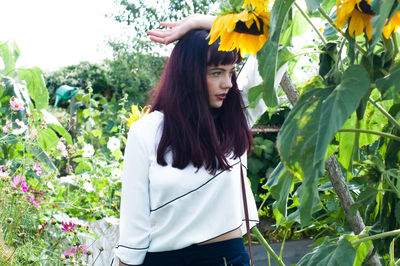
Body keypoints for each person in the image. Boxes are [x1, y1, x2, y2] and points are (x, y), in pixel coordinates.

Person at [114, 14, 268, 266]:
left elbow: (273, 42)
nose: (227, 83)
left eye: (231, 72)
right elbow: (134, 224)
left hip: (228, 258)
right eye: (216, 72)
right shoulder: (146, 131)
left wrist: (201, 22)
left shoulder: (235, 116)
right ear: (188, 75)